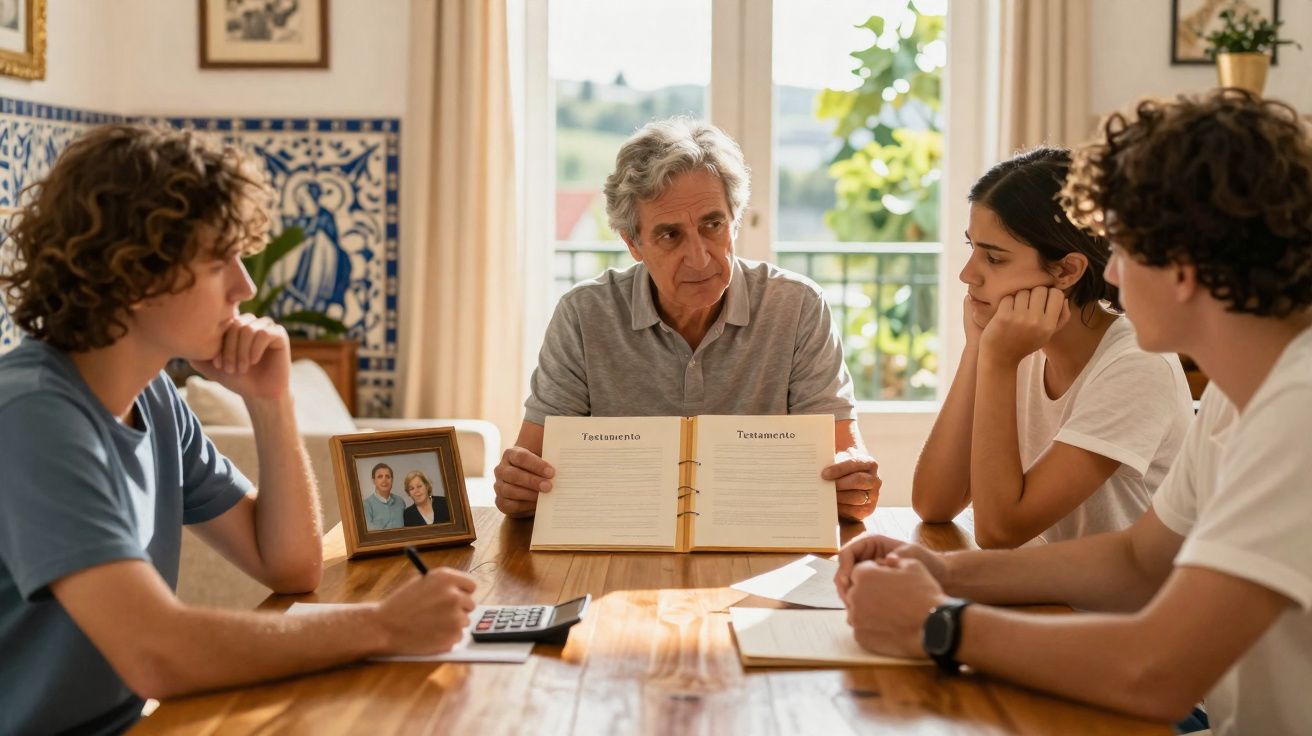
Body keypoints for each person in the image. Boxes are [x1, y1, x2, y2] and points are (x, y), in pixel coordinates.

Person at [836, 89, 1312, 734]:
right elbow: (1138, 564)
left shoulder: (1298, 411)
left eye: (1126, 247)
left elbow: (1157, 672)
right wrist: (946, 571)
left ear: (1184, 269)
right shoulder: (1240, 391)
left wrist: (938, 624)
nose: (1110, 274)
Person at [0, 124, 476, 735]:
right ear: (136, 273)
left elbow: (289, 567)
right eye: (218, 261)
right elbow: (156, 653)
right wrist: (384, 625)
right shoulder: (34, 418)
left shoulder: (154, 400)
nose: (245, 288)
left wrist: (270, 401)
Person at [494, 117, 880, 522]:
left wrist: (854, 484)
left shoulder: (798, 306)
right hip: (620, 550)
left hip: (763, 550)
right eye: (669, 235)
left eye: (712, 225)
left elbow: (844, 457)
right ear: (633, 244)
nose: (699, 257)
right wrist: (519, 487)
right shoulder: (584, 314)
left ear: (735, 220)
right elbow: (532, 469)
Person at [911, 147, 1193, 547]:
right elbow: (933, 502)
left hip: (1120, 607)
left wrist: (996, 360)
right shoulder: (1020, 342)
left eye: (993, 258)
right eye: (972, 247)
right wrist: (977, 349)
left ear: (1066, 270)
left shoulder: (1137, 366)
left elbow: (999, 531)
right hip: (1050, 593)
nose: (966, 274)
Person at [363, 462, 405, 530]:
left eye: (388, 477)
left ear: (392, 480)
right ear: (374, 481)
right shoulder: (366, 505)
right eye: (380, 477)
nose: (384, 480)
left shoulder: (400, 502)